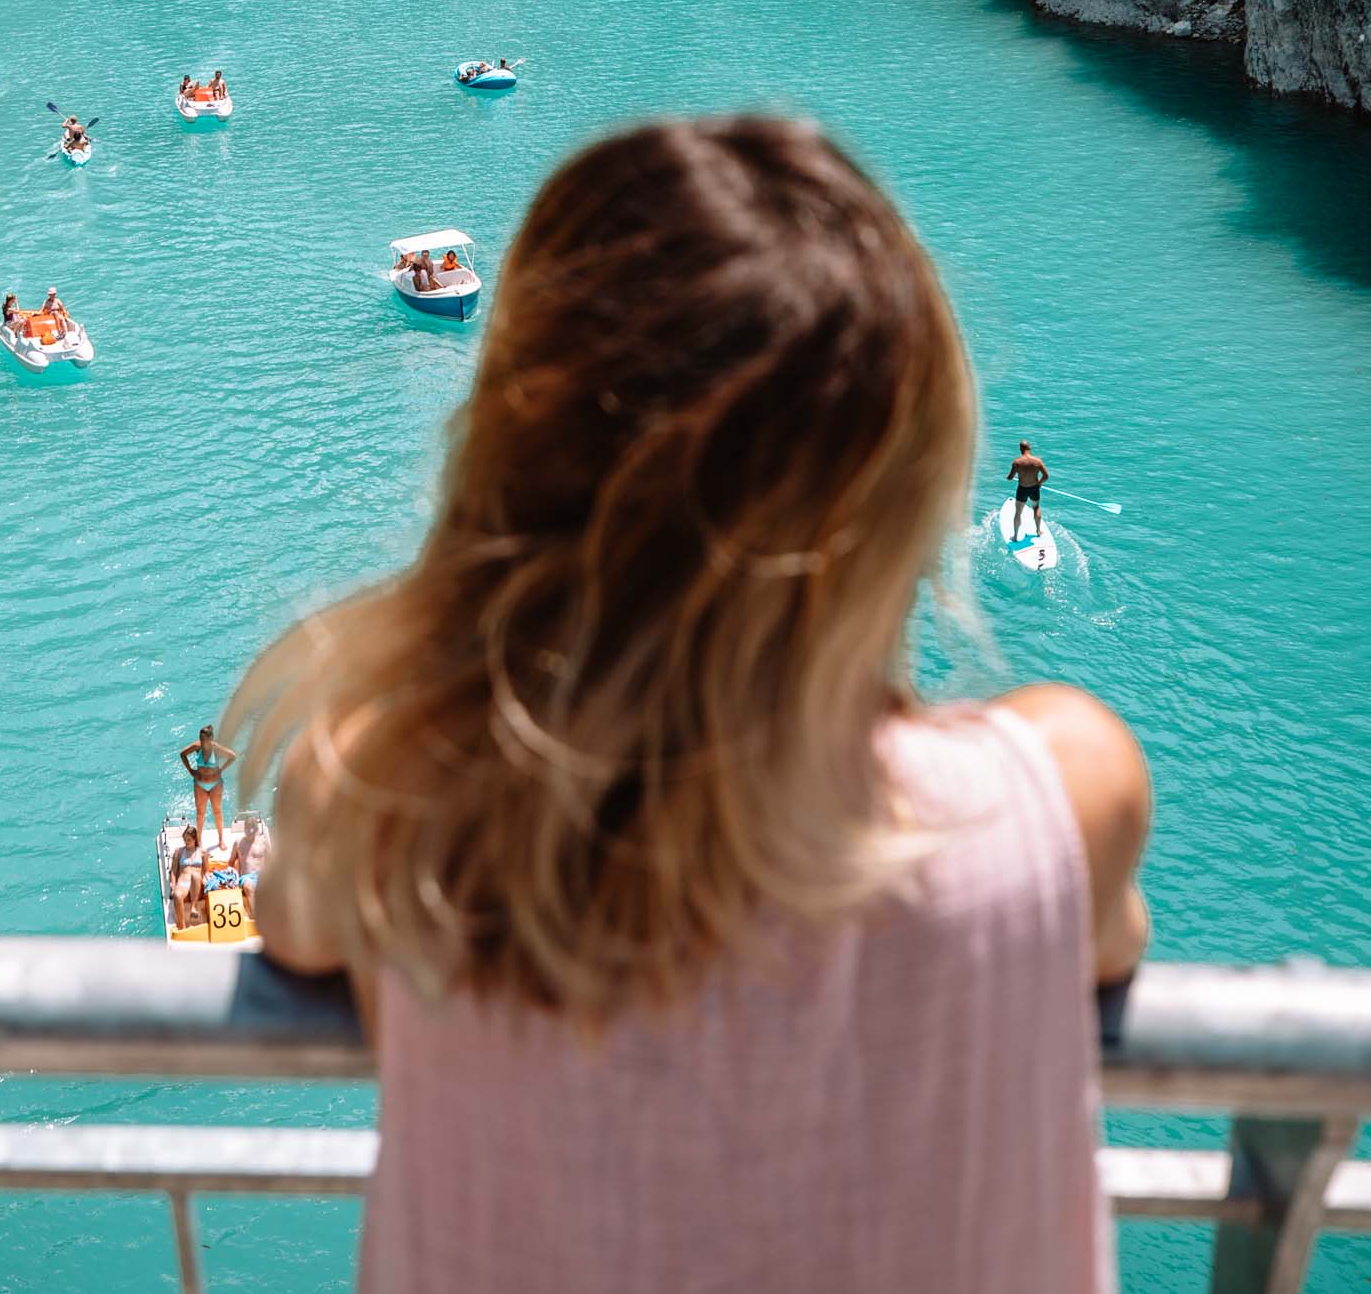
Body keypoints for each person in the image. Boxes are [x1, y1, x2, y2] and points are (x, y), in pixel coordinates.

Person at [227, 116, 1149, 1294]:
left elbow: (295, 932)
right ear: (906, 478)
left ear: (515, 453)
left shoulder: (379, 786)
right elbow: (1101, 947)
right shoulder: (1069, 786)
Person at [181, 723, 236, 845]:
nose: (201, 740)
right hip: (200, 784)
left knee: (217, 811)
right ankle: (199, 840)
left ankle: (221, 840)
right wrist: (190, 770)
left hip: (215, 784)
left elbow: (232, 756)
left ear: (210, 738)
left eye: (203, 738)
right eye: (200, 738)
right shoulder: (197, 747)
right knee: (200, 813)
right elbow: (182, 754)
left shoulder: (215, 748)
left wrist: (221, 770)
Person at [1009, 438, 1051, 540]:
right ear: (1029, 448)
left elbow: (1010, 477)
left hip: (1022, 489)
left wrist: (1009, 477)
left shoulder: (1017, 462)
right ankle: (1038, 531)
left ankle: (1015, 536)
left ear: (1020, 449)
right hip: (1034, 488)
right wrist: (1039, 483)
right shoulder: (1037, 461)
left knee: (1018, 511)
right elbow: (1046, 476)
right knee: (1036, 508)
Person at [170, 823, 207, 931]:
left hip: (197, 883)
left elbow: (206, 871)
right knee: (177, 895)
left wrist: (207, 879)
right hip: (183, 882)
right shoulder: (179, 851)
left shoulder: (202, 852)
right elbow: (173, 871)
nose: (186, 842)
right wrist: (173, 887)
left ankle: (193, 907)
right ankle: (182, 926)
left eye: (189, 839)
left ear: (195, 839)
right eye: (185, 839)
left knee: (196, 875)